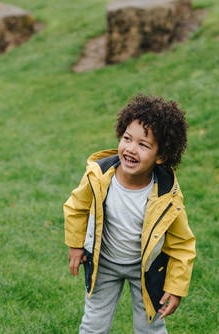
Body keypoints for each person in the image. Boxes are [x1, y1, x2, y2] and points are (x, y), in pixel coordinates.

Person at [63, 94, 196, 333]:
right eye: (127, 138)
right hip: (104, 263)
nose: (131, 149)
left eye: (143, 145)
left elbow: (182, 244)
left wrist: (176, 287)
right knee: (93, 324)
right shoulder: (99, 176)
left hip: (145, 269)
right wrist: (75, 245)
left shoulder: (167, 195)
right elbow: (76, 207)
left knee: (150, 328)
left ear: (161, 156)